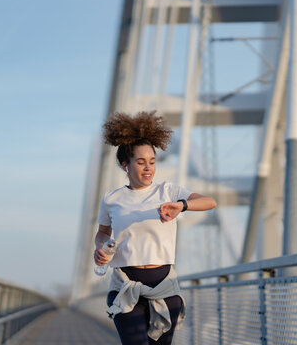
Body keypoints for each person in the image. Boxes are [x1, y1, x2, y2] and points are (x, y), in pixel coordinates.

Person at [93, 111, 217, 345]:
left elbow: (210, 201)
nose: (148, 168)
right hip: (126, 288)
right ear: (125, 166)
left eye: (152, 161)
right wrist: (100, 248)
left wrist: (182, 205)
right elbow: (102, 232)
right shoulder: (112, 199)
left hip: (164, 288)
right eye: (140, 162)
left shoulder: (168, 191)